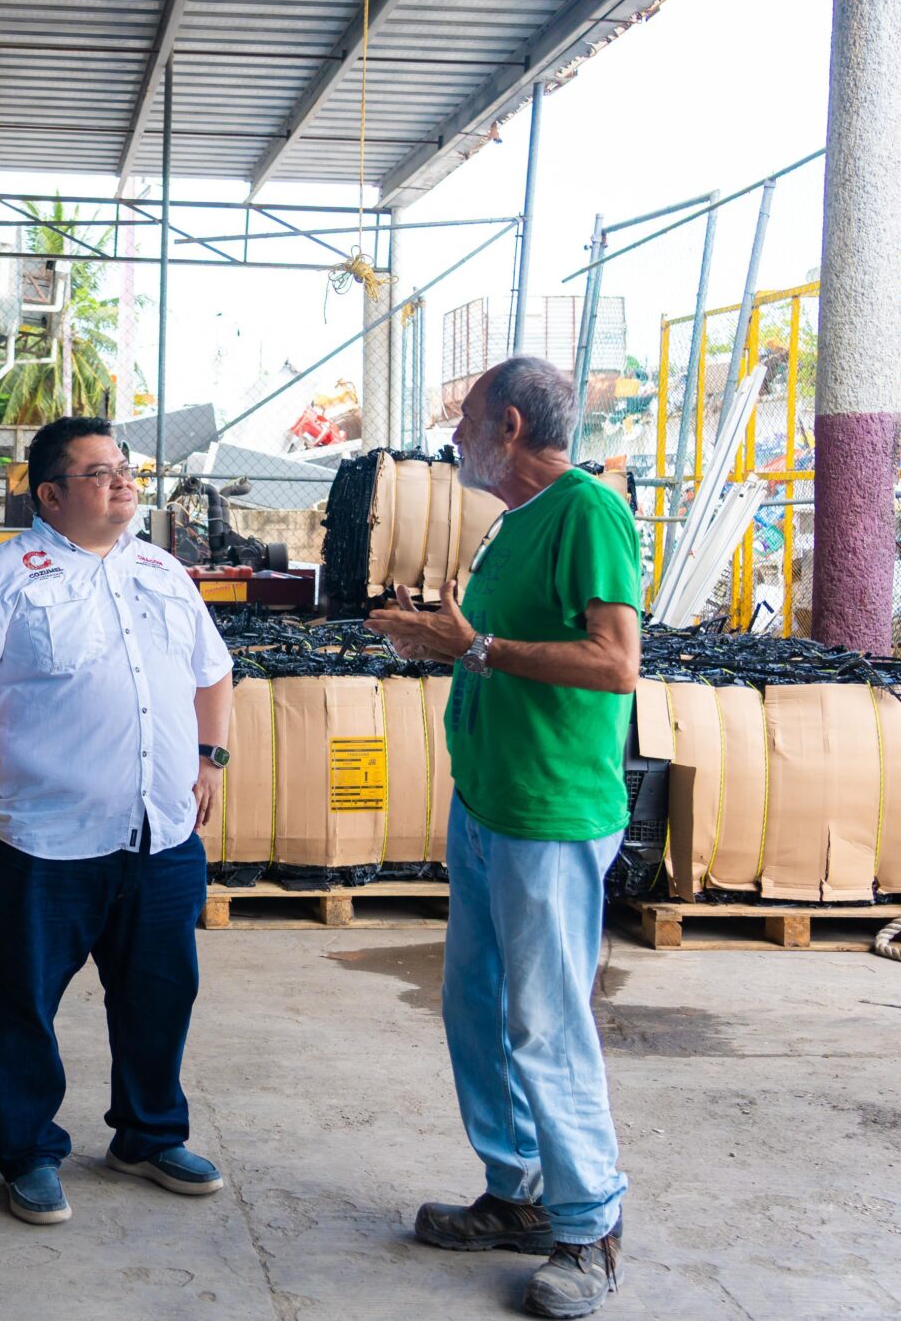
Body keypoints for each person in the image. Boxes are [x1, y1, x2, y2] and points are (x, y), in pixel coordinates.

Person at [366, 356, 640, 1319]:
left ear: (512, 425)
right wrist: (435, 637)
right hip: (490, 803)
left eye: (468, 419)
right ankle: (518, 1191)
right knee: (476, 1007)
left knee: (546, 1022)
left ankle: (590, 1226)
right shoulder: (513, 523)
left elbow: (616, 662)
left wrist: (476, 646)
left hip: (548, 813)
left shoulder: (587, 511)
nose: (455, 438)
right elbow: (491, 647)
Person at [0, 415, 234, 1226]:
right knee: (24, 1004)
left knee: (161, 994)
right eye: (99, 472)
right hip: (41, 842)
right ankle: (28, 1152)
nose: (122, 482)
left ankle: (149, 1135)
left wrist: (209, 758)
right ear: (51, 494)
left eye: (124, 469)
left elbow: (213, 671)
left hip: (160, 837)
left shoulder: (163, 571)